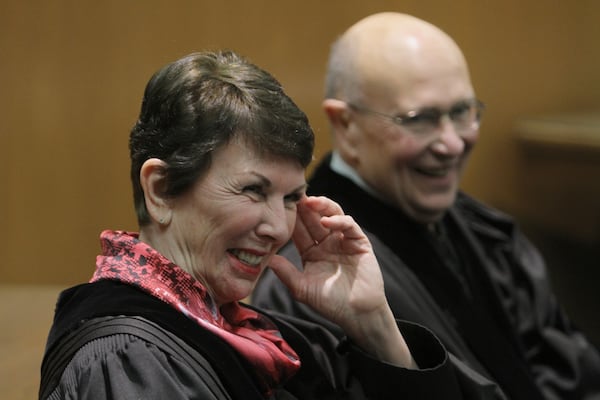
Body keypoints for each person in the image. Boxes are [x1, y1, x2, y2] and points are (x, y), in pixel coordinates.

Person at [37, 50, 499, 400]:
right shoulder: (126, 359)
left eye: (293, 198)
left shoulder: (255, 332)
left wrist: (373, 322)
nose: (278, 228)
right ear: (160, 189)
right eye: (253, 191)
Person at [252, 12, 600, 400]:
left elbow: (572, 377)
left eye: (461, 112)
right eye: (421, 120)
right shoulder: (311, 279)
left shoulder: (486, 232)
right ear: (346, 125)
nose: (452, 144)